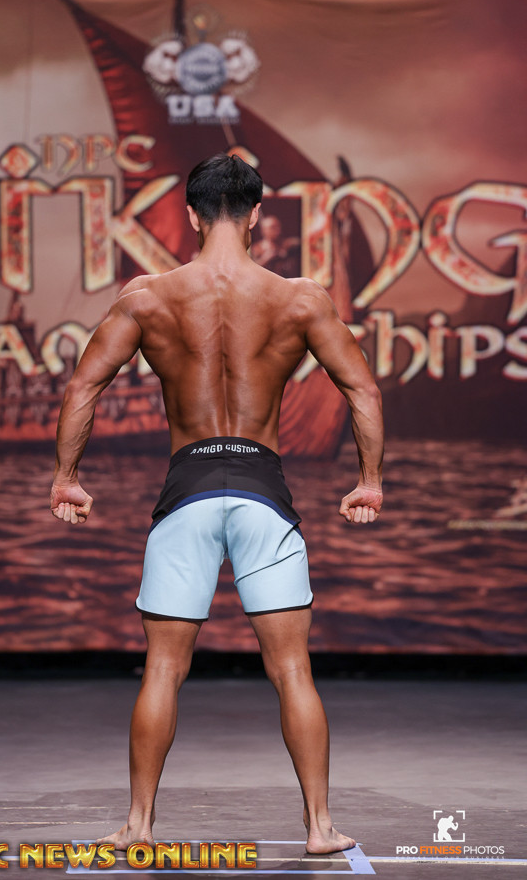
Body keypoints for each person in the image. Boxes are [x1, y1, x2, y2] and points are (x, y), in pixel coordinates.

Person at [50, 153, 383, 856]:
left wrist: (67, 476)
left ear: (192, 216)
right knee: (292, 670)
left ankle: (139, 824)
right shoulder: (300, 299)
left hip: (187, 494)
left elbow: (83, 387)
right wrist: (368, 480)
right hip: (264, 494)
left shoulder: (148, 297)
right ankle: (320, 828)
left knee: (163, 669)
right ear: (257, 213)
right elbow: (362, 389)